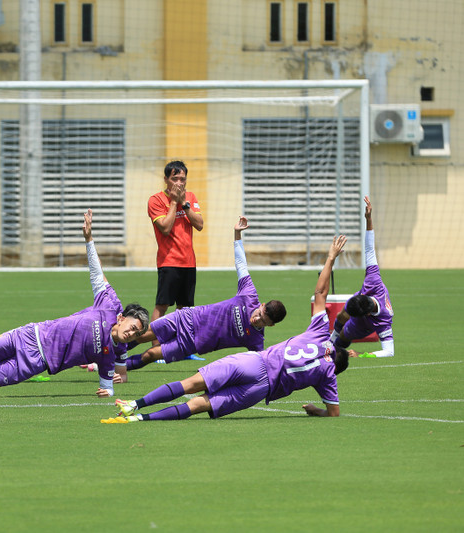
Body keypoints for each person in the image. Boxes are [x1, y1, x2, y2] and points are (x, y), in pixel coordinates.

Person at [0, 209, 150, 399]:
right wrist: (89, 240)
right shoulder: (110, 305)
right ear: (121, 317)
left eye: (137, 333)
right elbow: (97, 275)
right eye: (133, 326)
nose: (132, 333)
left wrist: (109, 391)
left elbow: (112, 382)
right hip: (32, 333)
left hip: (37, 362)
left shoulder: (116, 351)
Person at [110, 235, 352, 422]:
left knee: (189, 382)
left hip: (253, 361)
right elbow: (334, 413)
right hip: (261, 386)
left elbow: (320, 293)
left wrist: (330, 257)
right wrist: (314, 410)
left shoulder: (320, 335)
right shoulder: (328, 376)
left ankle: (135, 404)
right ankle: (139, 417)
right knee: (201, 403)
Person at [111, 216, 286, 381]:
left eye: (262, 321)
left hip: (192, 343)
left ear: (269, 325)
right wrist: (237, 234)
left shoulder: (256, 340)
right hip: (186, 318)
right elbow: (241, 264)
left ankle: (109, 368)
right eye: (259, 313)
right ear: (261, 305)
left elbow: (260, 363)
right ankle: (105, 353)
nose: (256, 319)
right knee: (140, 335)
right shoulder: (249, 296)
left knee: (150, 355)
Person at [330, 196, 395, 358]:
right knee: (340, 316)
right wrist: (369, 219)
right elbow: (369, 249)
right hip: (361, 304)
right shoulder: (373, 281)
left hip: (364, 325)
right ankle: (330, 341)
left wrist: (362, 355)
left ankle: (336, 349)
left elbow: (389, 352)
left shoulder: (383, 320)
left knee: (346, 333)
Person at [147, 160, 204, 326]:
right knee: (162, 306)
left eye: (182, 179)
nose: (179, 183)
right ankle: (155, 346)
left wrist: (184, 204)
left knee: (185, 308)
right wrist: (173, 202)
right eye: (175, 179)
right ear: (166, 179)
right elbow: (164, 228)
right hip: (169, 261)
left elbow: (199, 224)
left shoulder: (190, 197)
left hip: (189, 262)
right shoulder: (156, 200)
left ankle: (179, 347)